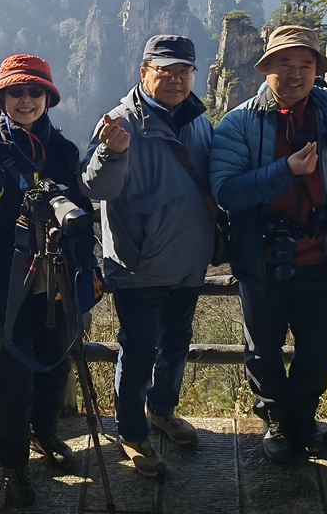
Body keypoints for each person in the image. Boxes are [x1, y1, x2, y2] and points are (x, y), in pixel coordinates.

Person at [209, 25, 327, 462]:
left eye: (306, 65)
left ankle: (303, 415)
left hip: (323, 255)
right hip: (261, 258)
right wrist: (287, 171)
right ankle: (276, 419)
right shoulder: (239, 122)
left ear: (317, 69)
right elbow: (226, 191)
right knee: (263, 348)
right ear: (266, 69)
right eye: (285, 64)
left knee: (318, 350)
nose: (296, 74)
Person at [0, 55, 92, 505]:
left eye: (35, 92)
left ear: (48, 98)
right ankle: (13, 465)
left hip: (54, 281)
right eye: (17, 92)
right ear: (2, 98)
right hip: (0, 286)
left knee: (54, 363)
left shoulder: (63, 152)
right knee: (13, 377)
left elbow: (81, 216)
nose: (26, 99)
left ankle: (45, 434)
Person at [81, 35, 215, 476]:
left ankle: (162, 410)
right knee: (138, 349)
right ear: (144, 72)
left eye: (184, 71)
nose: (175, 79)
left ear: (193, 75)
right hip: (140, 265)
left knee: (176, 344)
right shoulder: (120, 121)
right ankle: (133, 431)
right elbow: (94, 188)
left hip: (188, 260)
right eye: (165, 70)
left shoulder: (197, 119)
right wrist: (111, 152)